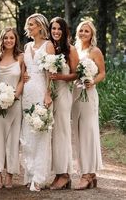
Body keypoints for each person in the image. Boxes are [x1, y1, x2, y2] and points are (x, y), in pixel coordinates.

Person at [20, 13, 55, 191]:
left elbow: (51, 73)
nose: (29, 27)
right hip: (27, 94)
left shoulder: (48, 46)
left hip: (41, 92)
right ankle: (30, 172)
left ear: (40, 26)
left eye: (32, 24)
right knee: (27, 135)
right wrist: (24, 75)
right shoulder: (26, 46)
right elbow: (24, 70)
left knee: (41, 133)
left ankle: (39, 177)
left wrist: (48, 94)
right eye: (28, 25)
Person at [0, 27, 25, 189]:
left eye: (11, 38)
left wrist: (15, 96)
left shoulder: (21, 58)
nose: (8, 41)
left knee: (13, 139)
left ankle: (10, 174)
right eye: (6, 38)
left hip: (15, 103)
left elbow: (22, 80)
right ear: (1, 40)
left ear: (15, 40)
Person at [72, 20, 105, 190]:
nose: (83, 33)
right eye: (81, 31)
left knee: (88, 132)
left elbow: (102, 73)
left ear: (91, 34)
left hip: (88, 93)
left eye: (86, 31)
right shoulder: (75, 50)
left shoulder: (95, 51)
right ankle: (90, 174)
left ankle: (87, 174)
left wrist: (93, 81)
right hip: (75, 93)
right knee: (78, 132)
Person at [48, 17, 79, 190]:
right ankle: (58, 173)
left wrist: (60, 77)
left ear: (65, 30)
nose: (56, 32)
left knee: (62, 133)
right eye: (53, 29)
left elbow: (76, 74)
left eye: (59, 29)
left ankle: (65, 174)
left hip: (63, 92)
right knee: (53, 135)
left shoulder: (71, 50)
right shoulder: (49, 48)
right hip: (50, 94)